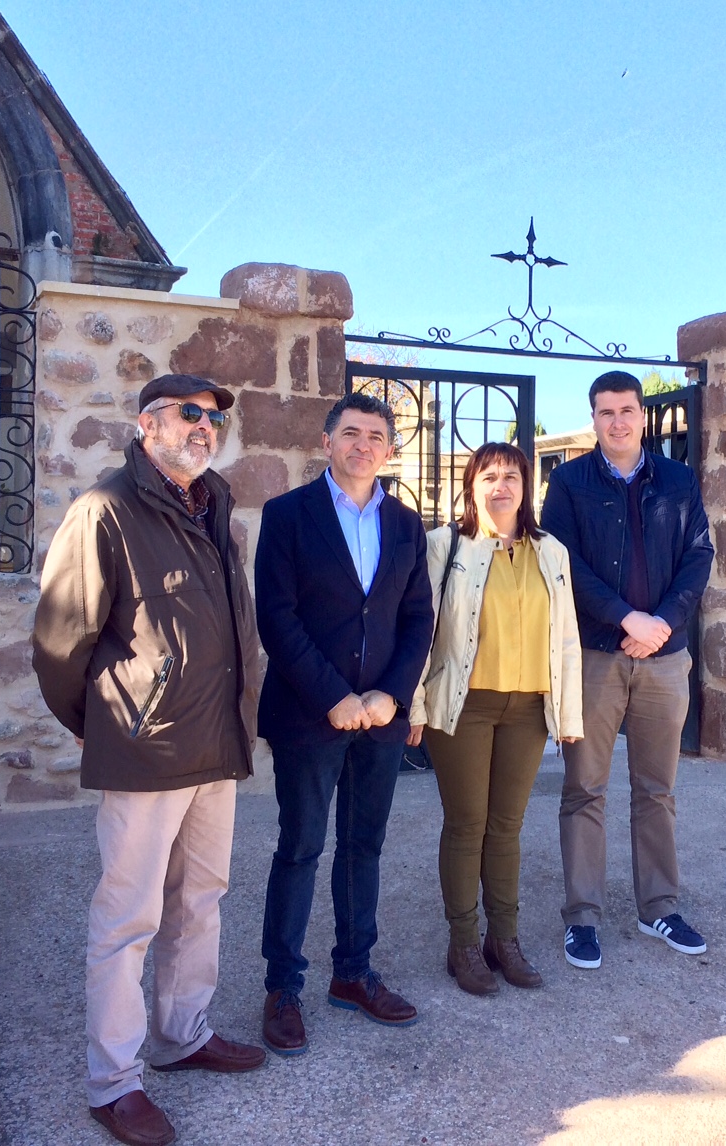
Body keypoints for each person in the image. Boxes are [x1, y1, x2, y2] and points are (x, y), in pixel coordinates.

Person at [33, 374, 265, 1146]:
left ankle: (183, 1035)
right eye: (188, 414)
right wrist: (102, 724)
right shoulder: (105, 510)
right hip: (146, 747)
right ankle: (114, 1081)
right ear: (147, 424)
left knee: (200, 899)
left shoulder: (213, 506)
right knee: (128, 915)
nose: (205, 427)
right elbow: (60, 641)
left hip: (216, 743)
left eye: (214, 418)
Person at [254, 391, 434, 1056]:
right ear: (327, 441)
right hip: (310, 715)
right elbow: (276, 616)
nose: (364, 445)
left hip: (380, 719)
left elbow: (418, 617)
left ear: (388, 451)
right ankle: (282, 988)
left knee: (364, 847)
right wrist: (333, 695)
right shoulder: (288, 515)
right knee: (301, 847)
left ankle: (353, 974)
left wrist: (392, 694)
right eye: (352, 433)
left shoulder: (406, 524)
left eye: (376, 436)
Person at [540, 369, 714, 971]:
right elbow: (563, 563)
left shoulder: (679, 480)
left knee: (656, 789)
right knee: (584, 789)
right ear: (593, 418)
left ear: (643, 416)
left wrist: (661, 621)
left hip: (664, 657)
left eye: (627, 411)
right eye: (606, 412)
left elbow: (699, 556)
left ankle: (658, 907)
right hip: (595, 655)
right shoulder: (568, 482)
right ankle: (582, 917)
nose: (617, 422)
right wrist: (625, 618)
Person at [407, 442, 583, 996]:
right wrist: (414, 704)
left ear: (527, 487)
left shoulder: (550, 551)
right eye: (489, 477)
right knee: (467, 824)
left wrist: (568, 713)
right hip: (464, 706)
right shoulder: (444, 546)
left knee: (507, 826)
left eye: (512, 476)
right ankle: (463, 943)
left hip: (527, 709)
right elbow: (420, 630)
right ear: (471, 487)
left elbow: (567, 637)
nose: (501, 486)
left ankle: (503, 940)